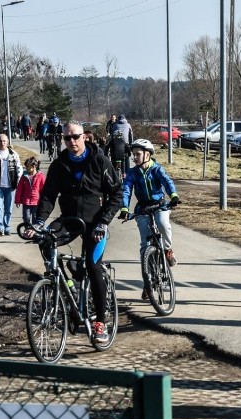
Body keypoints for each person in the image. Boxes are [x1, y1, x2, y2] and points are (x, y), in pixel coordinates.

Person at [25, 121, 122, 343]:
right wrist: (38, 222)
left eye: (75, 137)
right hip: (69, 220)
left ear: (84, 137)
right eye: (67, 138)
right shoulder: (59, 165)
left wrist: (104, 222)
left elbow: (116, 193)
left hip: (95, 223)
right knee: (45, 240)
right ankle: (63, 287)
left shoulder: (99, 160)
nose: (71, 142)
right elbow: (48, 196)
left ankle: (100, 322)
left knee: (92, 265)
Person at [118, 139, 181, 293]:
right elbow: (126, 190)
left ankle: (167, 250)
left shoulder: (156, 169)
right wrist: (124, 209)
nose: (135, 157)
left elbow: (167, 182)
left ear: (147, 154)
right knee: (145, 247)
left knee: (163, 224)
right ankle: (148, 280)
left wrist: (173, 196)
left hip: (160, 205)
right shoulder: (133, 173)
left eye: (138, 154)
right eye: (133, 155)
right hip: (142, 208)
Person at [14, 156, 46, 226]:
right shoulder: (24, 176)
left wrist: (44, 201)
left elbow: (43, 190)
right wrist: (17, 200)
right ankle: (27, 229)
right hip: (26, 201)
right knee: (26, 217)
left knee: (35, 218)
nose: (26, 168)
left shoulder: (41, 176)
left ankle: (34, 231)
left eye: (27, 167)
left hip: (36, 202)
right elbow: (19, 189)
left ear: (33, 166)